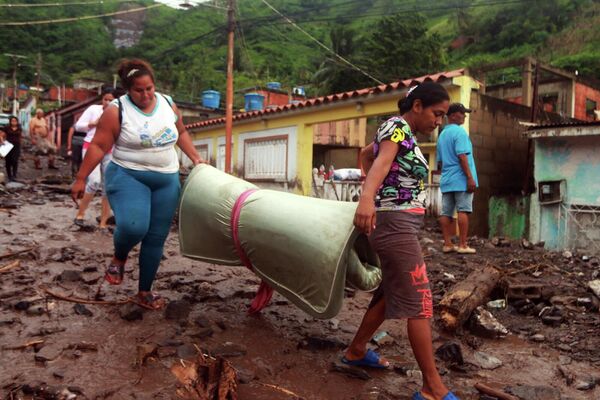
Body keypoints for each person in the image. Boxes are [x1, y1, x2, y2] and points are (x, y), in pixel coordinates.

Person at [344, 83, 459, 400]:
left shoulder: (401, 135)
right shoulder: (397, 126)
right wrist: (368, 199)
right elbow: (379, 164)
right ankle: (432, 388)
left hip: (398, 222)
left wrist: (375, 194)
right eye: (437, 114)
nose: (438, 122)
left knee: (388, 294)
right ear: (418, 105)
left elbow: (368, 155)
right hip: (394, 225)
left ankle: (356, 350)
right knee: (421, 302)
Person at [71, 59, 205, 310]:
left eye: (149, 89)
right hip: (128, 176)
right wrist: (80, 178)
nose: (145, 95)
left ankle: (144, 291)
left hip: (166, 179)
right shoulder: (116, 110)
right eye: (138, 90)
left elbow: (182, 132)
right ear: (127, 90)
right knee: (134, 227)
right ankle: (120, 256)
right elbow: (99, 145)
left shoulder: (167, 104)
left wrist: (195, 157)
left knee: (156, 237)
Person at [436, 103, 478, 255]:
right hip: (461, 179)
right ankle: (462, 245)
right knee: (463, 210)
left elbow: (439, 162)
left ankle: (447, 244)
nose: (465, 116)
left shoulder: (442, 135)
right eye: (462, 113)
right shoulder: (460, 133)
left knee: (446, 213)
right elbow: (462, 156)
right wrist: (469, 178)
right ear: (453, 115)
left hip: (447, 179)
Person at [73, 90, 115, 228]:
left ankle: (103, 222)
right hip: (91, 147)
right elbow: (78, 126)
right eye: (105, 99)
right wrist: (93, 124)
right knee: (94, 180)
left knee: (107, 185)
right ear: (102, 100)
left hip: (110, 150)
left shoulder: (117, 113)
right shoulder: (93, 110)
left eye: (111, 100)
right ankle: (80, 214)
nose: (107, 102)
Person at [2, 116, 22, 181]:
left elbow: (20, 136)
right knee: (8, 160)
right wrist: (2, 141)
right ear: (10, 121)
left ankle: (14, 175)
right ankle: (9, 175)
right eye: (12, 121)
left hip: (16, 145)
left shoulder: (19, 127)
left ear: (17, 121)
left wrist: (20, 143)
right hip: (8, 145)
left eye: (15, 121)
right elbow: (1, 135)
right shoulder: (7, 127)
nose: (14, 122)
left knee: (15, 160)